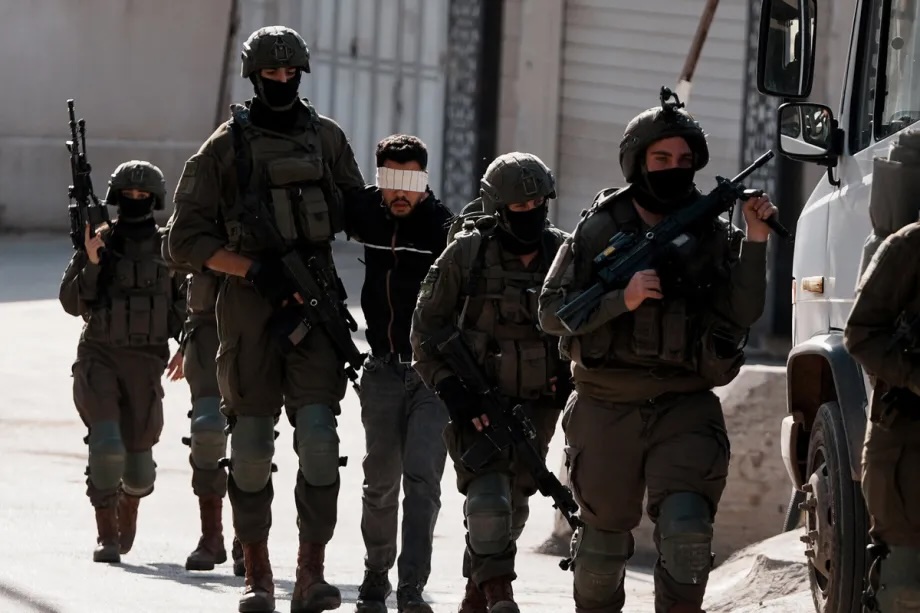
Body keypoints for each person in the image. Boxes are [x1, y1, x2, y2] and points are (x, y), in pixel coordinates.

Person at [537, 90, 778, 613]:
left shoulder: (711, 231)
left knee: (688, 535)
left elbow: (743, 311)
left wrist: (755, 239)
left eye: (684, 159)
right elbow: (551, 312)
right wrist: (618, 300)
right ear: (637, 162)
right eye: (661, 158)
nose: (674, 168)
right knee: (601, 549)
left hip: (684, 402)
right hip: (606, 404)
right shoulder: (597, 228)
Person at [166, 25, 365, 613]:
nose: (282, 81)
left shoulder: (326, 139)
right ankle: (256, 572)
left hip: (315, 301)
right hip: (249, 308)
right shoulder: (223, 149)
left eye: (290, 72)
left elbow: (358, 210)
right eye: (271, 74)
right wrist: (252, 270)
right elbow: (183, 240)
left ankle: (311, 573)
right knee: (251, 445)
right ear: (253, 78)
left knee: (320, 440)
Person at [410, 152, 572, 613]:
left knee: (514, 504)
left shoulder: (564, 254)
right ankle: (500, 593)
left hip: (538, 405)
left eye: (538, 204)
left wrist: (569, 380)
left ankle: (475, 594)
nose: (530, 214)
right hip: (477, 402)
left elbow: (585, 326)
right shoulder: (467, 254)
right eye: (519, 207)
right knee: (487, 502)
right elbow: (425, 330)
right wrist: (451, 389)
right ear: (498, 208)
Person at [344, 134, 452, 613]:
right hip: (383, 369)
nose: (401, 191)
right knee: (380, 482)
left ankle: (411, 587)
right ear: (379, 181)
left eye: (410, 180)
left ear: (424, 181)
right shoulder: (366, 213)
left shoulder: (444, 229)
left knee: (422, 483)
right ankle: (375, 574)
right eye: (391, 180)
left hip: (431, 374)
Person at [59, 160, 184, 564]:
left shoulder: (168, 248)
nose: (134, 200)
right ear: (115, 197)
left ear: (154, 199)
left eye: (142, 195)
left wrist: (187, 347)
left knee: (140, 473)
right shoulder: (99, 240)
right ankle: (106, 534)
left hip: (145, 364)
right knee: (107, 446)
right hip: (100, 356)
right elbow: (71, 302)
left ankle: (128, 505)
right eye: (127, 194)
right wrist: (91, 261)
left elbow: (185, 309)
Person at [844, 220, 920, 613]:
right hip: (908, 447)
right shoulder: (909, 246)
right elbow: (860, 334)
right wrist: (915, 376)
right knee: (905, 590)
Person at [161, 226, 245, 576]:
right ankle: (212, 536)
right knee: (208, 431)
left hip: (255, 326)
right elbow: (173, 247)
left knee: (251, 441)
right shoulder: (201, 197)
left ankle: (248, 539)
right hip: (206, 328)